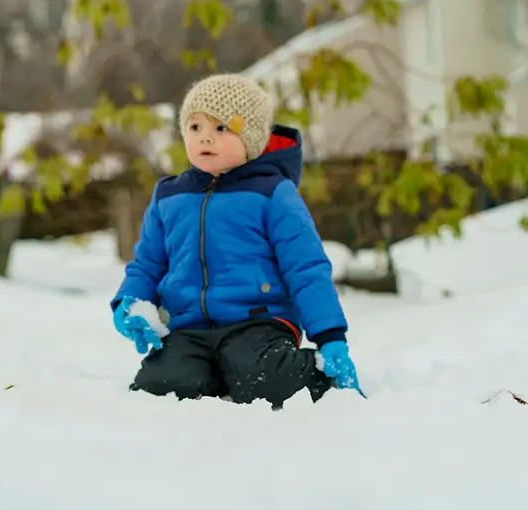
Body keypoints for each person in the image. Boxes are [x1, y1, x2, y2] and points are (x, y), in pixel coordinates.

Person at [110, 73, 364, 409]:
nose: (206, 139)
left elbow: (306, 267)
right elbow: (148, 263)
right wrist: (129, 302)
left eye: (221, 128)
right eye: (195, 127)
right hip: (188, 328)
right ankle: (213, 373)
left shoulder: (272, 192)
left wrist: (330, 337)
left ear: (251, 138)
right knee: (161, 386)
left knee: (264, 380)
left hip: (258, 323)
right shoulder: (169, 196)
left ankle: (317, 376)